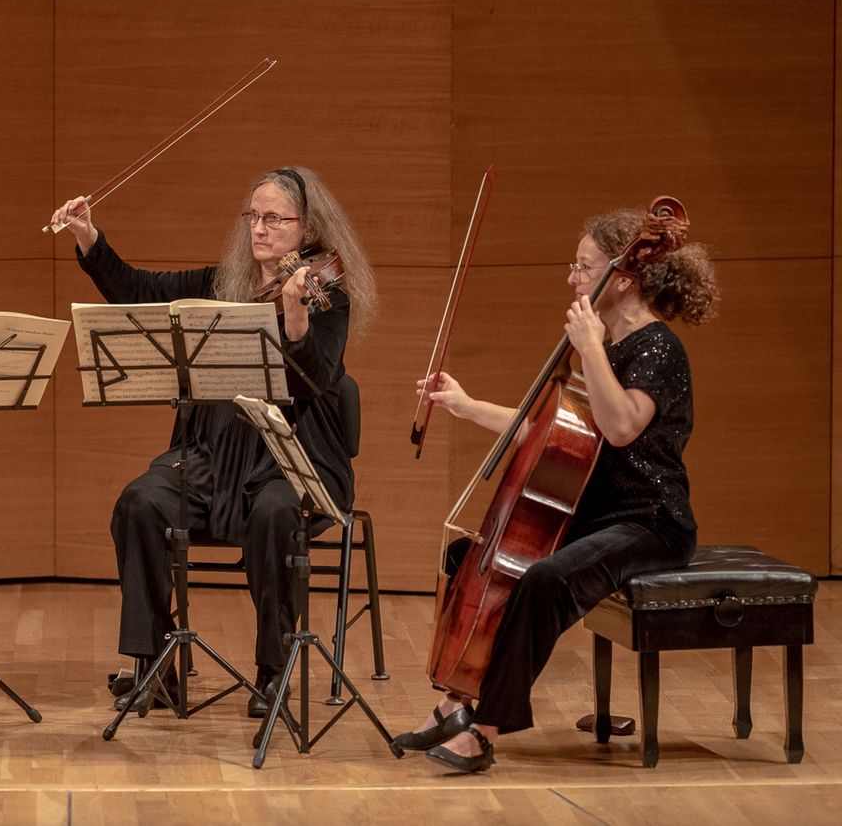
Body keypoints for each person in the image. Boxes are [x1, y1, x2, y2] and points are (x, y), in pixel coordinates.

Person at [396, 206, 720, 774]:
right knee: (470, 556)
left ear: (622, 278)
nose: (572, 278)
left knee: (543, 581)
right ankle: (457, 699)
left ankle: (486, 730)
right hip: (597, 515)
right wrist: (465, 405)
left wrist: (591, 348)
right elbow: (553, 433)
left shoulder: (657, 350)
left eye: (584, 267)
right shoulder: (600, 346)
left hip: (650, 523)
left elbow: (621, 428)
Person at [50, 166, 377, 716]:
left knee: (275, 513)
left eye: (275, 218)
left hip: (291, 456)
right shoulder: (224, 285)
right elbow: (138, 288)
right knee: (141, 502)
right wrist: (89, 236)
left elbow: (319, 378)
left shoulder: (326, 295)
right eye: (254, 216)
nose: (260, 228)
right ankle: (155, 664)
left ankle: (274, 670)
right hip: (214, 454)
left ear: (308, 227)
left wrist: (295, 316)